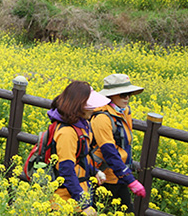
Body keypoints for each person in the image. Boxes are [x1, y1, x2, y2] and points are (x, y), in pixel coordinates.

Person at [48, 81, 109, 215]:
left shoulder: (81, 125)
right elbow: (66, 170)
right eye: (89, 106)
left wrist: (95, 171)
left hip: (75, 199)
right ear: (79, 106)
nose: (93, 109)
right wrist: (84, 205)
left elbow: (79, 158)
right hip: (64, 204)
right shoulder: (67, 133)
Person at [91, 74, 146, 213]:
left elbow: (124, 145)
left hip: (120, 175)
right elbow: (108, 151)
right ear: (111, 96)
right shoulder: (102, 117)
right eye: (123, 94)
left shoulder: (124, 112)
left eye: (129, 94)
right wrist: (130, 179)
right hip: (105, 178)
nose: (127, 98)